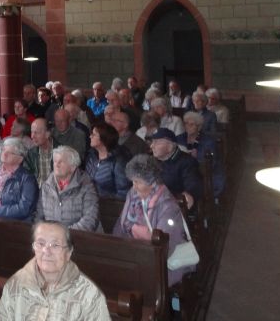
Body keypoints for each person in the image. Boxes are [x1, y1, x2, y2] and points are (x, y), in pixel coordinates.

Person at [0, 220, 109, 320]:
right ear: (33, 248)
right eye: (40, 243)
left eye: (55, 245)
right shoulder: (15, 285)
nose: (46, 251)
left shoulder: (90, 295)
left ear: (69, 252)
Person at [113, 154, 197, 286]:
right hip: (136, 251)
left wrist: (137, 257)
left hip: (161, 261)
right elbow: (122, 223)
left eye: (138, 182)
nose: (134, 186)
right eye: (133, 181)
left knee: (137, 280)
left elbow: (166, 242)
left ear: (152, 182)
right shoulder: (133, 194)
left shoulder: (168, 205)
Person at [36, 146, 99, 232]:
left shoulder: (86, 186)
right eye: (55, 161)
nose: (56, 165)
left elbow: (89, 220)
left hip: (78, 238)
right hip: (50, 236)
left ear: (72, 167)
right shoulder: (46, 186)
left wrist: (64, 234)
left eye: (61, 162)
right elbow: (39, 215)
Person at [0, 137, 38, 221]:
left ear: (20, 159)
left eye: (10, 153)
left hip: (11, 225)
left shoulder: (27, 179)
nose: (4, 154)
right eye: (4, 150)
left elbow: (24, 208)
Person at [148, 127, 203, 210]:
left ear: (170, 146)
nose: (151, 146)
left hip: (174, 208)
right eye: (152, 142)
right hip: (153, 204)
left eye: (156, 143)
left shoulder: (187, 162)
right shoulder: (153, 161)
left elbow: (192, 190)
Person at [177, 112, 225, 198]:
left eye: (191, 124)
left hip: (202, 173)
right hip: (183, 172)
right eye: (186, 123)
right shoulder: (179, 138)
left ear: (199, 127)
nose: (188, 126)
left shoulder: (208, 141)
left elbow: (212, 163)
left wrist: (196, 158)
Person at [84, 123, 130, 198]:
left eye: (94, 134)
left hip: (109, 206)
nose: (90, 136)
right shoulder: (91, 156)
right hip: (90, 202)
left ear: (104, 138)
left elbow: (123, 192)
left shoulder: (118, 162)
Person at [24, 117, 56, 186]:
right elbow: (27, 178)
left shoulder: (61, 152)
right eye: (32, 132)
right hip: (37, 192)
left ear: (47, 134)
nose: (32, 136)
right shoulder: (31, 154)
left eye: (36, 133)